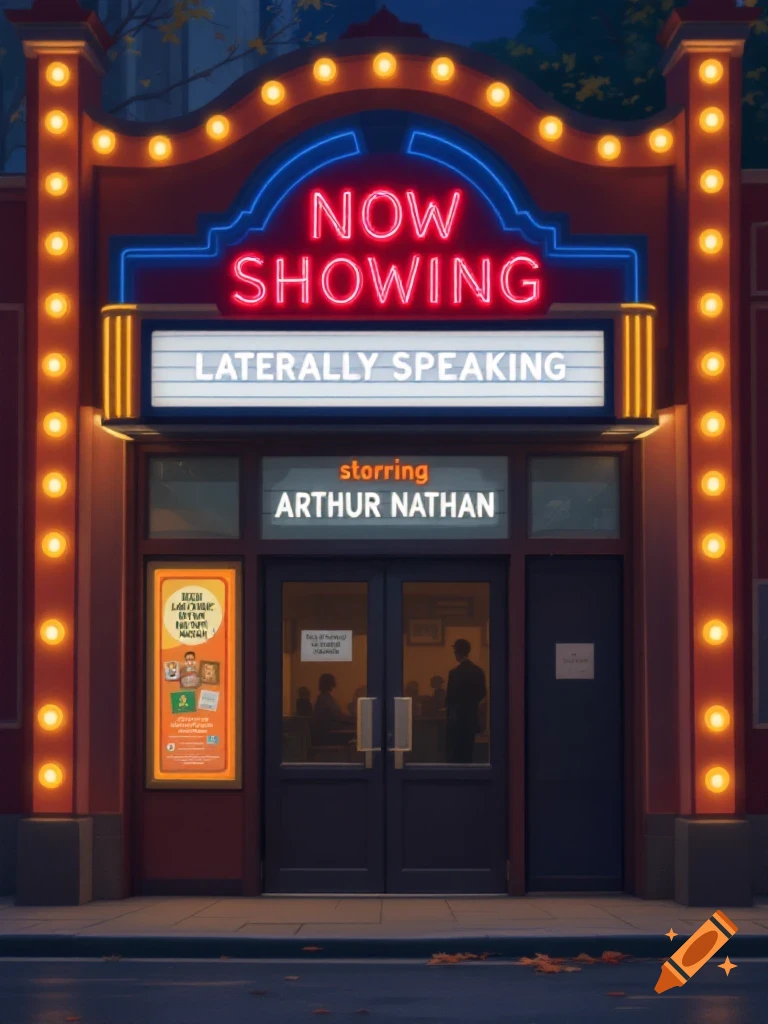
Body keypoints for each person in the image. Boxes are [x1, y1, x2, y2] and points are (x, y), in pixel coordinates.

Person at [445, 639, 486, 763]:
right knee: (469, 752)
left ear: (456, 653)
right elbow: (482, 694)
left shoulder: (454, 673)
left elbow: (450, 698)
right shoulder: (478, 671)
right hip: (471, 717)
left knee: (456, 753)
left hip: (456, 719)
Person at [311, 673, 353, 745]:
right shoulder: (325, 698)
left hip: (327, 732)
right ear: (330, 683)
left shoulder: (324, 697)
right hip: (328, 735)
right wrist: (353, 719)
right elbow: (338, 716)